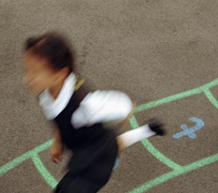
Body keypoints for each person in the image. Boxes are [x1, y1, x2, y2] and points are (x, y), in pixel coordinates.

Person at [23, 32, 165, 193]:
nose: (27, 79)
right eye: (27, 70)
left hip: (93, 168)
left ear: (59, 74)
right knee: (113, 144)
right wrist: (57, 141)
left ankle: (148, 130)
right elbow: (58, 118)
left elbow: (121, 104)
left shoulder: (85, 104)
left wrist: (126, 109)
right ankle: (149, 129)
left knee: (109, 149)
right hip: (88, 146)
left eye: (35, 72)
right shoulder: (45, 93)